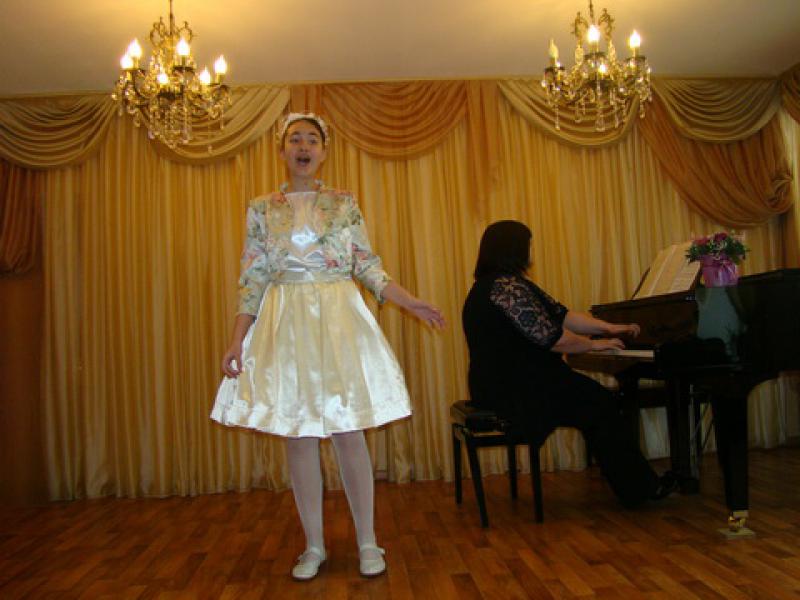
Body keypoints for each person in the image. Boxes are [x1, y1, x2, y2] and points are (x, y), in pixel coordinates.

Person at [211, 112, 445, 581]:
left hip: (338, 320)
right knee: (298, 437)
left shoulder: (343, 203)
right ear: (282, 150)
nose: (303, 146)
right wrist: (237, 339)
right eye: (295, 139)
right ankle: (313, 545)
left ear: (323, 151)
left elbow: (366, 265)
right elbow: (252, 279)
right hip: (286, 324)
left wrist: (410, 301)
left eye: (312, 139)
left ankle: (368, 542)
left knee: (348, 431)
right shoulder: (260, 208)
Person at [461, 220, 676, 508]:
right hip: (516, 388)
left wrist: (608, 327)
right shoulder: (507, 287)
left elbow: (563, 315)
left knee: (596, 404)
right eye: (527, 244)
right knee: (601, 403)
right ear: (514, 248)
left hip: (502, 383)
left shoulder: (498, 285)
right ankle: (639, 489)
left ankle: (632, 483)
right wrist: (594, 344)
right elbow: (552, 337)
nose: (530, 251)